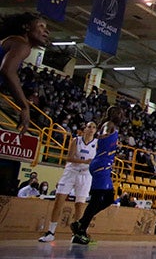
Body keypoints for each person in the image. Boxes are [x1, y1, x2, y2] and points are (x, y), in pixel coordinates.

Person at [70, 105, 124, 245]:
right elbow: (102, 135)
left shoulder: (112, 127)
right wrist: (106, 138)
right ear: (114, 114)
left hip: (104, 165)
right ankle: (81, 229)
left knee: (108, 198)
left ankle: (81, 223)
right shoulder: (109, 124)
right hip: (101, 165)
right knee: (96, 200)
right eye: (119, 113)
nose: (122, 116)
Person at [39, 121, 98, 242]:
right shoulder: (76, 140)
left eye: (94, 127)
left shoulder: (97, 144)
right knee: (59, 201)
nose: (91, 129)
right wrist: (85, 162)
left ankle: (76, 234)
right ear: (85, 129)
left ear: (96, 130)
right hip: (71, 172)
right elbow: (69, 158)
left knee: (79, 205)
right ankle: (51, 232)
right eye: (89, 127)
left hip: (85, 175)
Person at [0, 12, 50, 133]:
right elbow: (7, 70)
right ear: (26, 27)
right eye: (41, 26)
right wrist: (24, 106)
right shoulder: (22, 44)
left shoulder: (13, 42)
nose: (47, 31)